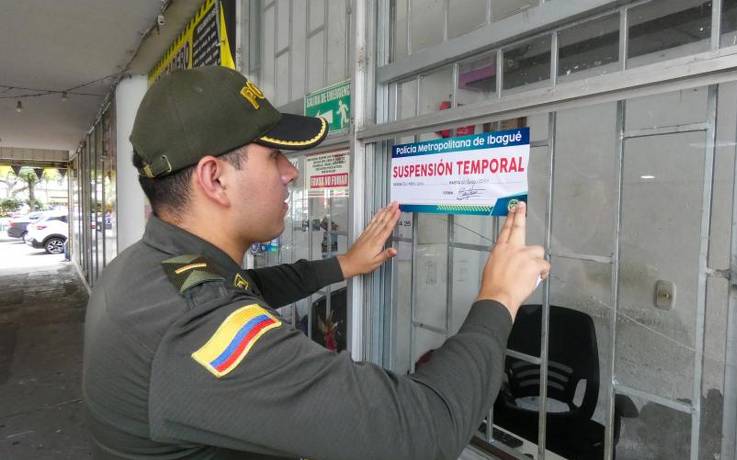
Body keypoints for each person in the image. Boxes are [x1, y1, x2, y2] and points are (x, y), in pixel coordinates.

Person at [82, 65, 550, 460]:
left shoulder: (145, 267)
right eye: (275, 156)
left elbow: (244, 285)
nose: (291, 172)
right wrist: (498, 298)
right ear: (215, 179)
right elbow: (424, 430)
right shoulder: (195, 330)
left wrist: (341, 266)